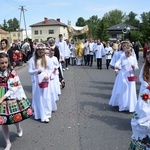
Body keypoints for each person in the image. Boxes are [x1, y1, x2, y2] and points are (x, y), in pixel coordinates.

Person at [0, 53, 33, 150]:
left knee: (14, 116)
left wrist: (2, 98)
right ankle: (8, 142)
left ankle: (18, 127)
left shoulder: (12, 72)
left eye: (6, 62)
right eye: (2, 63)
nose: (4, 65)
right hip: (1, 96)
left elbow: (14, 87)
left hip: (10, 96)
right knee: (3, 121)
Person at [129, 50, 150, 149]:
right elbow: (141, 78)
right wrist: (148, 85)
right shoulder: (145, 67)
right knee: (142, 107)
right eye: (148, 55)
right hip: (146, 90)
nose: (149, 57)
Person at [28, 43, 53, 123]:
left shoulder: (47, 59)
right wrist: (36, 71)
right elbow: (30, 71)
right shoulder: (32, 59)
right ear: (37, 51)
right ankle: (38, 114)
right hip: (36, 81)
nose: (41, 54)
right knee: (38, 98)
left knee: (46, 97)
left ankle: (46, 114)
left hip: (45, 80)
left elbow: (51, 69)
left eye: (42, 52)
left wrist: (48, 75)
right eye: (40, 52)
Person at [109, 45, 139, 112]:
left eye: (128, 53)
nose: (127, 54)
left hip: (130, 75)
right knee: (123, 90)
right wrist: (117, 67)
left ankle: (130, 105)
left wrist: (134, 67)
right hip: (122, 75)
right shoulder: (122, 57)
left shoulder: (133, 59)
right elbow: (117, 63)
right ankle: (122, 104)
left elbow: (137, 67)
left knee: (130, 90)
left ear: (131, 52)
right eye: (126, 52)